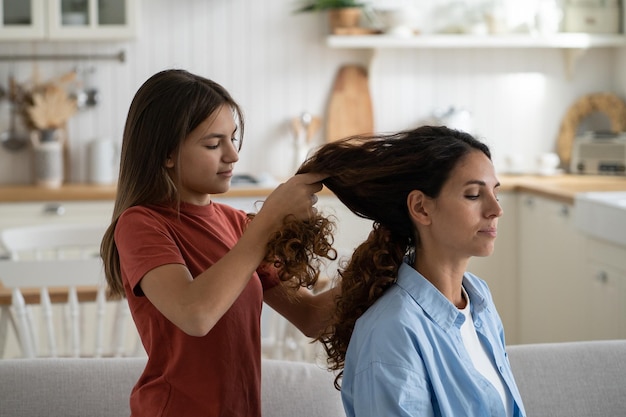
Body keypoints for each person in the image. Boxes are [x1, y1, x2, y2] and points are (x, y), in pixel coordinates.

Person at [100, 69, 337, 417]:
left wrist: (389, 252)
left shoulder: (236, 225)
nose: (233, 156)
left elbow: (312, 317)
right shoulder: (140, 224)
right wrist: (267, 223)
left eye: (232, 139)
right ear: (166, 153)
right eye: (213, 144)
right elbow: (195, 314)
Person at [297, 126, 527, 417]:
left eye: (495, 192)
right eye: (473, 195)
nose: (496, 209)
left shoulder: (479, 299)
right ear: (421, 208)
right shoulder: (392, 333)